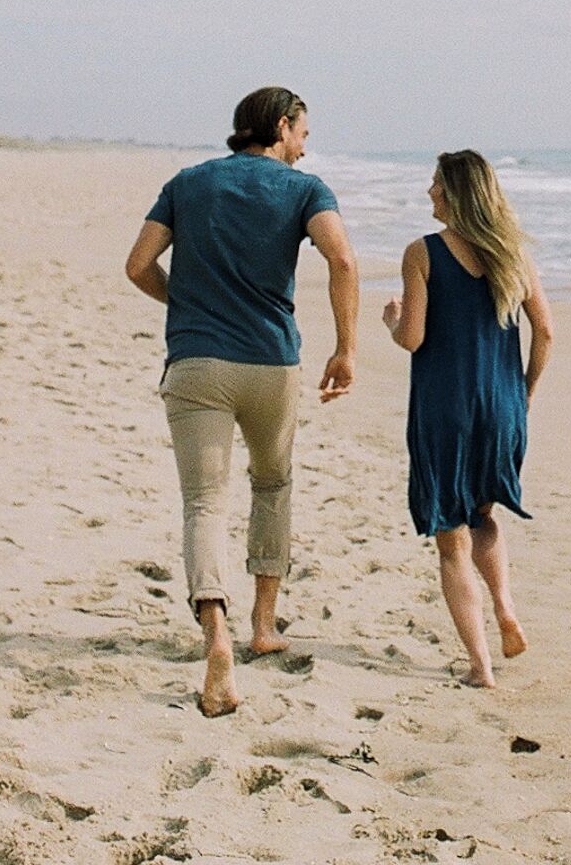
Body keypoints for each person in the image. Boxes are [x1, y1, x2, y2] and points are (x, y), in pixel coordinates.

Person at [124, 86, 359, 718]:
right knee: (272, 485)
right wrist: (345, 348)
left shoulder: (189, 182)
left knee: (204, 502)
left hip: (197, 362)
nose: (306, 146)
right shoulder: (306, 191)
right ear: (282, 127)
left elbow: (138, 264)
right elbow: (341, 259)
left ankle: (216, 638)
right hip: (271, 362)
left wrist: (187, 304)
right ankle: (263, 624)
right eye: (304, 133)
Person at [379, 149, 552, 688]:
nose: (429, 192)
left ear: (455, 192)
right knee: (484, 515)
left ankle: (480, 667)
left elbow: (414, 339)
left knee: (451, 538)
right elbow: (545, 333)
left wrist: (391, 320)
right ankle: (504, 608)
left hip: (444, 408)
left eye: (435, 184)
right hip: (502, 408)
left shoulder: (423, 253)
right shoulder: (514, 256)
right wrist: (521, 394)